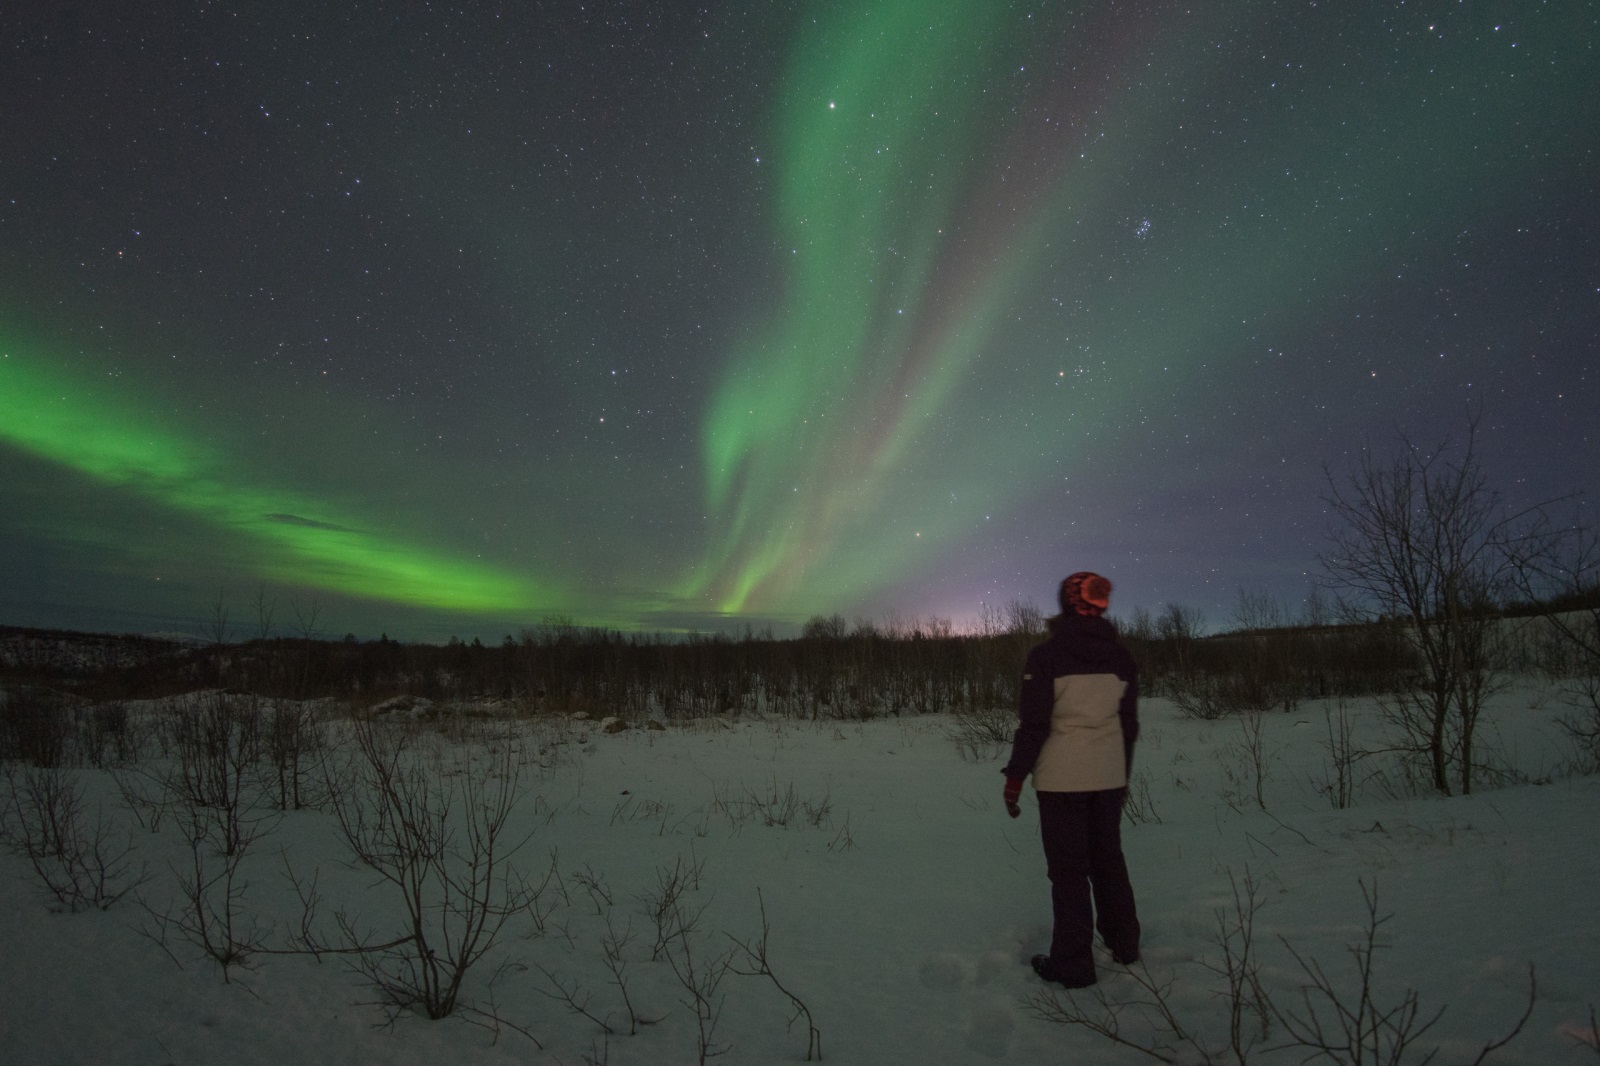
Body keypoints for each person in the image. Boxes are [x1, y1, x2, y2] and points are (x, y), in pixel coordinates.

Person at [1002, 570, 1141, 988]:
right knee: (1108, 861)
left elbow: (1034, 725)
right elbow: (1128, 725)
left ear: (1065, 603)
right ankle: (1125, 945)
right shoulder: (1121, 658)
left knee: (1068, 872)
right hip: (1109, 776)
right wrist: (1122, 774)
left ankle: (1073, 965)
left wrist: (1015, 777)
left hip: (1062, 780)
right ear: (1101, 605)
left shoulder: (1046, 657)